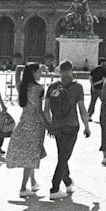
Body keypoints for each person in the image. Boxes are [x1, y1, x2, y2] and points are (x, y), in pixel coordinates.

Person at [42, 61, 90, 199]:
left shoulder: (52, 86)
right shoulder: (77, 87)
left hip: (57, 126)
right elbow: (82, 109)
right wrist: (87, 127)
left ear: (60, 71)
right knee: (64, 157)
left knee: (62, 155)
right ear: (71, 70)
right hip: (71, 125)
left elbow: (46, 110)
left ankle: (68, 182)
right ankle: (54, 188)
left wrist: (50, 125)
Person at [6, 63, 47, 196]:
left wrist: (22, 67)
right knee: (31, 156)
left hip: (23, 122)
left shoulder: (22, 86)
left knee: (30, 154)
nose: (41, 74)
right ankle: (23, 188)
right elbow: (39, 111)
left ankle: (33, 182)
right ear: (33, 72)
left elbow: (17, 72)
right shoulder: (39, 88)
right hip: (35, 124)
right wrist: (47, 124)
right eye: (39, 71)